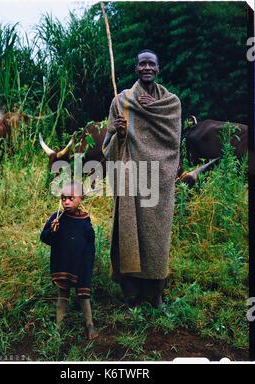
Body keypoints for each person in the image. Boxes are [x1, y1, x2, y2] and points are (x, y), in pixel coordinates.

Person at [102, 49, 181, 307]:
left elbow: (172, 143)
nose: (146, 67)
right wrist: (116, 131)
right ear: (136, 69)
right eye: (142, 64)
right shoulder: (121, 101)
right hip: (129, 178)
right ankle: (132, 292)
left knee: (156, 236)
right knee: (129, 232)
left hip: (159, 180)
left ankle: (155, 292)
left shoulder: (170, 103)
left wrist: (151, 110)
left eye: (151, 63)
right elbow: (107, 148)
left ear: (157, 69)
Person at [40, 181, 98, 340]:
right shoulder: (57, 218)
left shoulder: (85, 222)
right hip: (63, 265)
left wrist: (87, 269)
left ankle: (90, 324)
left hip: (80, 267)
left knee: (84, 296)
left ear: (81, 198)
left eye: (71, 198)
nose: (66, 202)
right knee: (62, 295)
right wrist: (52, 231)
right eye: (63, 198)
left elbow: (90, 248)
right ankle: (58, 327)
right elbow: (44, 238)